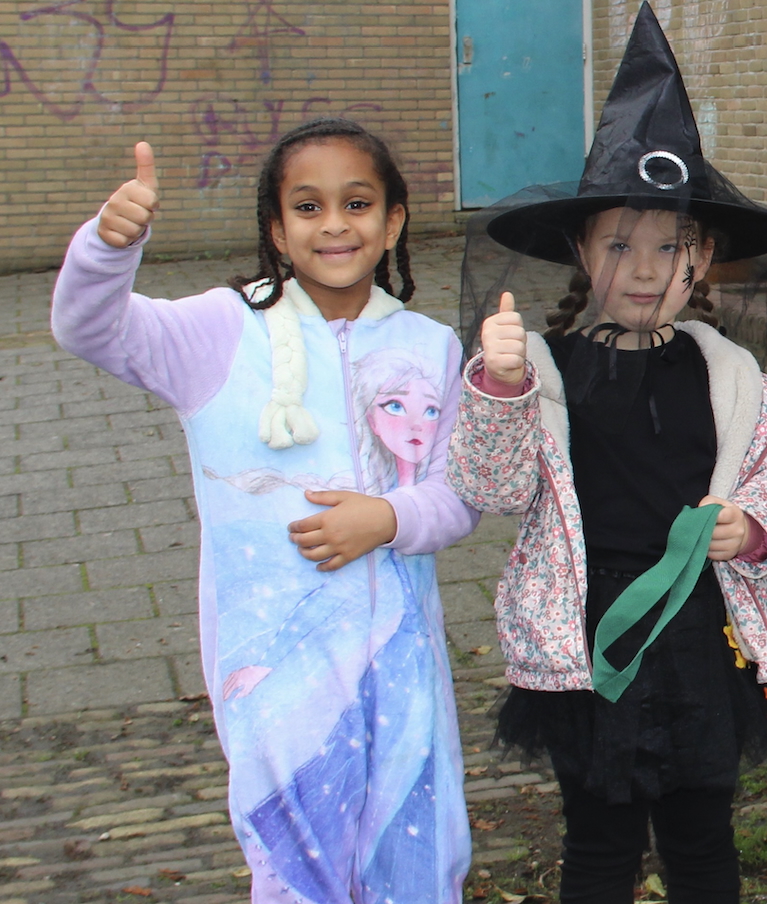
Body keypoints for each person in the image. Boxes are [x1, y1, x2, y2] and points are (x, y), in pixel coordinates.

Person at [446, 3, 767, 904]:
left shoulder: (729, 375)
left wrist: (756, 522)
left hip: (698, 632)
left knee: (701, 839)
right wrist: (496, 389)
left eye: (670, 247)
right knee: (600, 845)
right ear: (581, 251)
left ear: (703, 261)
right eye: (619, 244)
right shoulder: (544, 369)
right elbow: (488, 487)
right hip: (585, 636)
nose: (645, 269)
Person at [51, 120, 478, 901]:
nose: (336, 225)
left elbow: (459, 496)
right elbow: (90, 328)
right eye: (308, 208)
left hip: (404, 672)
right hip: (280, 683)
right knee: (294, 867)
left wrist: (386, 520)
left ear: (394, 222)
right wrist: (108, 249)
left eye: (357, 203)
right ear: (277, 230)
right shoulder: (219, 330)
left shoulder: (432, 345)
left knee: (419, 860)